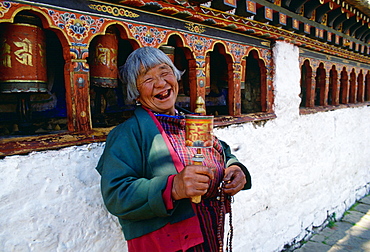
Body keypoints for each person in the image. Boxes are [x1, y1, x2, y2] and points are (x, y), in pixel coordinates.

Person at [96, 47, 251, 252]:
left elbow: (220, 151)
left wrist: (234, 167)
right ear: (136, 92)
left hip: (210, 233)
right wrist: (174, 187)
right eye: (147, 79)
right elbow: (117, 195)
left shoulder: (190, 121)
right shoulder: (128, 134)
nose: (161, 83)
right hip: (169, 243)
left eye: (164, 72)